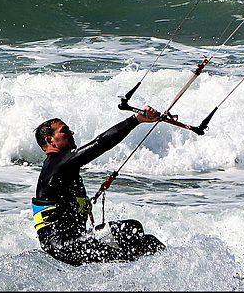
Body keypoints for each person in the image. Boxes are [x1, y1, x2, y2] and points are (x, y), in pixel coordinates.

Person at [32, 107, 166, 266]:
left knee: (145, 242)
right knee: (131, 230)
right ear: (50, 140)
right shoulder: (57, 165)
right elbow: (100, 143)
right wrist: (135, 120)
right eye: (64, 131)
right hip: (65, 247)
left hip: (71, 245)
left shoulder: (60, 168)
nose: (71, 133)